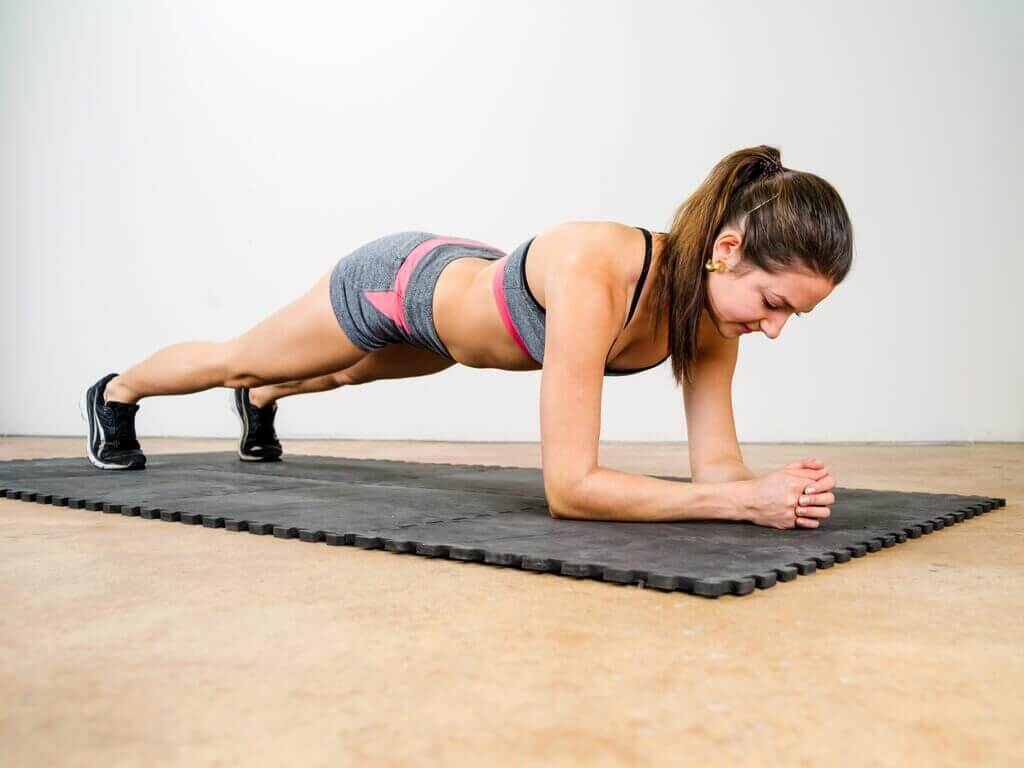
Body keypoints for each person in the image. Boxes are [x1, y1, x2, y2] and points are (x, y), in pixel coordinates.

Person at [81, 144, 851, 529]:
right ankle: (117, 393)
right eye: (774, 301)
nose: (773, 328)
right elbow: (570, 488)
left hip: (454, 324)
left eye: (792, 316)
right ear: (725, 251)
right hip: (398, 283)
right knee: (235, 357)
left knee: (346, 374)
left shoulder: (714, 315)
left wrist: (768, 492)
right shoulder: (598, 269)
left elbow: (717, 468)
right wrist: (739, 506)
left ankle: (268, 398)